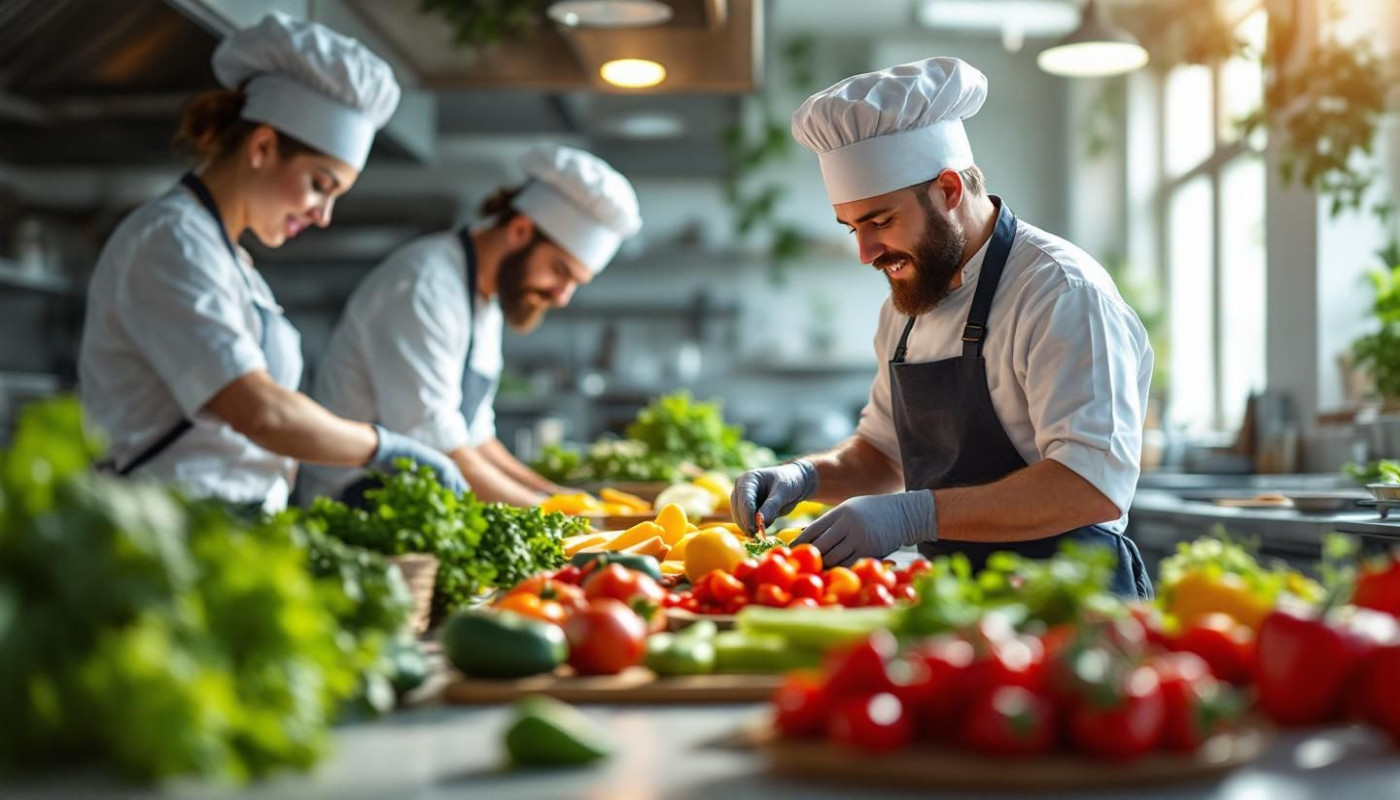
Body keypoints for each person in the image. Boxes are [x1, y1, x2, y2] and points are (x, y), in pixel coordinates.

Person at [731, 57, 1155, 599]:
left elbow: (1090, 486)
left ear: (949, 190)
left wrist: (914, 514)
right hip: (957, 603)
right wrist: (802, 477)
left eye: (880, 222)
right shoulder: (908, 303)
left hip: (1070, 605)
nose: (865, 253)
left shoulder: (1060, 291)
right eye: (852, 227)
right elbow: (880, 457)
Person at [79, 14, 465, 513]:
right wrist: (382, 448)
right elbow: (259, 411)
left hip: (228, 532)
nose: (323, 215)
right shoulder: (172, 241)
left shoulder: (229, 260)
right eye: (320, 185)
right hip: (165, 531)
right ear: (262, 147)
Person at [301, 145, 642, 506]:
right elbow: (438, 448)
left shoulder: (483, 299)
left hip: (422, 500)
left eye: (576, 282)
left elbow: (476, 440)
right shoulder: (425, 287)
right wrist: (555, 516)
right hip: (356, 503)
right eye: (560, 271)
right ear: (521, 230)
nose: (562, 297)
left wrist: (561, 498)